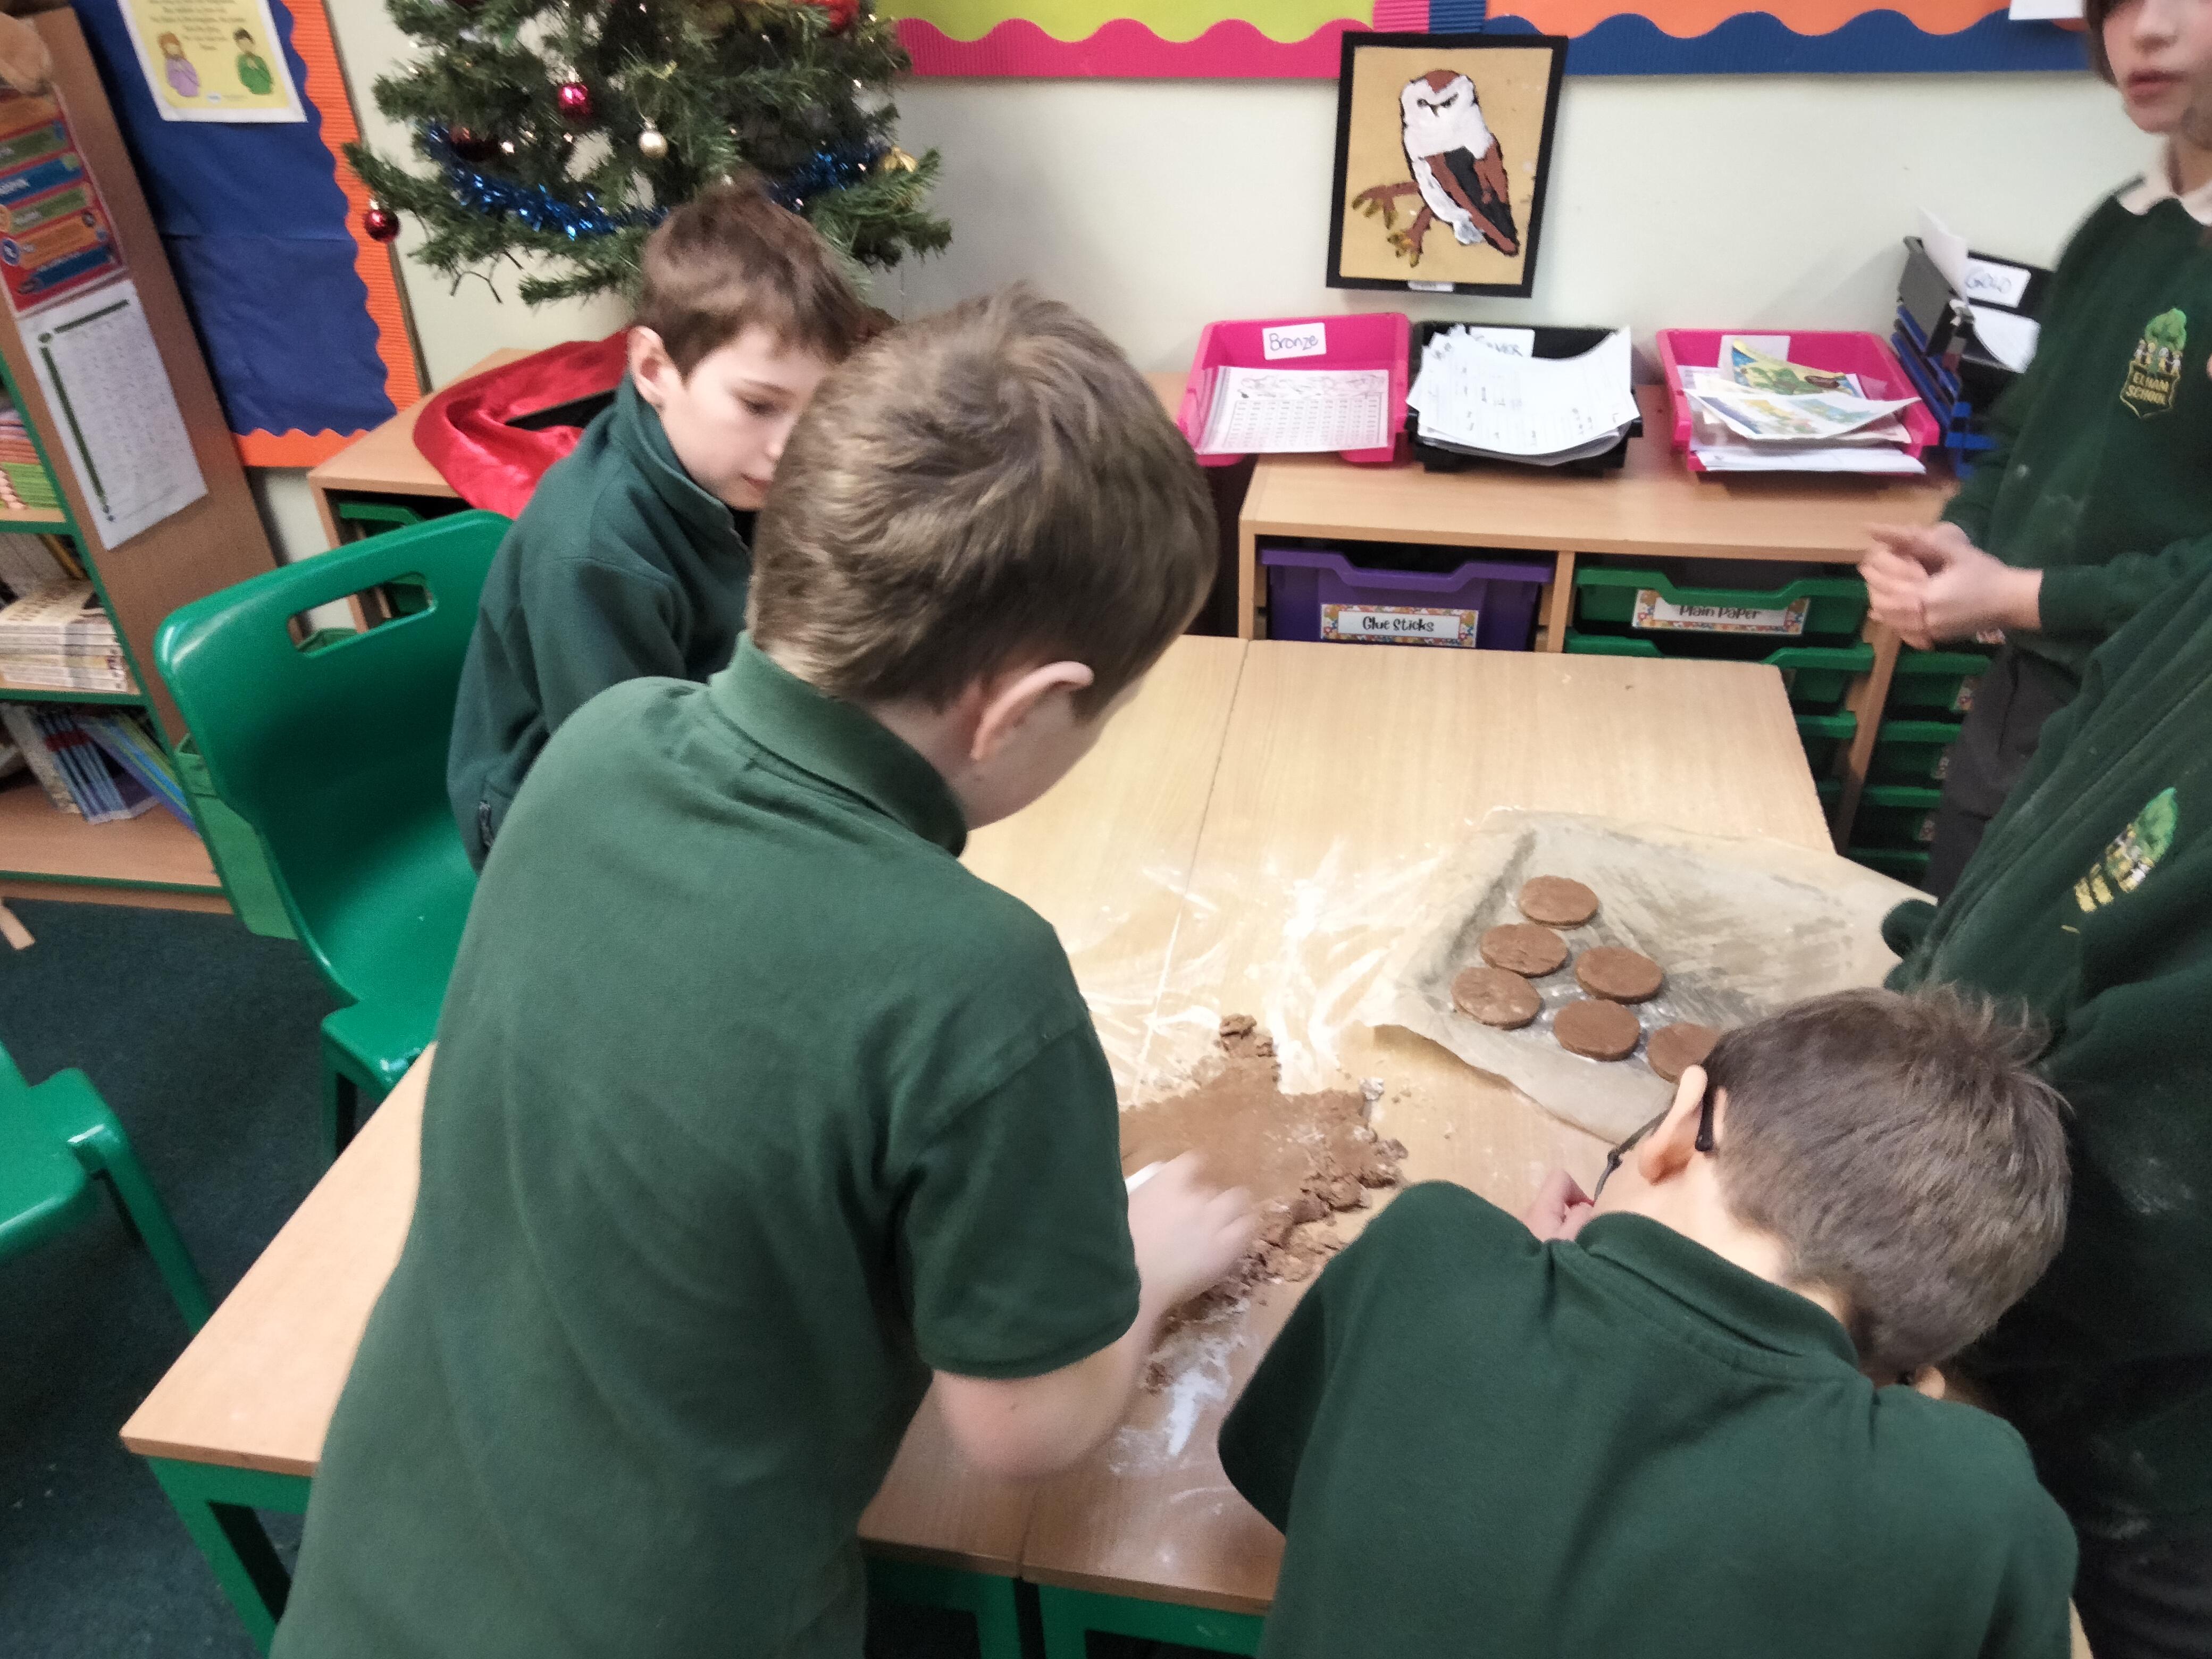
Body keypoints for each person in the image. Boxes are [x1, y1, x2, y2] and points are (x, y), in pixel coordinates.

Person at [273, 289, 1253, 1658]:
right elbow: (1018, 1429)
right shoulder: (979, 985)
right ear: (1025, 708)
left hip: (366, 1583)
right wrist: (1138, 1277)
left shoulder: (601, 743)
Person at [1219, 988, 2077, 1659]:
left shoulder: (1429, 1257)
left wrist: (1515, 1283)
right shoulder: (1977, 1506)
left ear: (1681, 1121)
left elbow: (1298, 1488)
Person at [1885, 547, 2212, 1658]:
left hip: (2143, 1448)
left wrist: (1821, 1274)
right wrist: (1913, 998)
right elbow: (2055, 807)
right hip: (1980, 1301)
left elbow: (2156, 1203)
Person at [1861, 0, 2212, 897]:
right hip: (2031, 700)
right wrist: (1962, 538)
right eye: (2120, 1)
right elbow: (2026, 429)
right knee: (1948, 943)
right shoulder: (2125, 224)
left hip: (2166, 733)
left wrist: (2021, 596)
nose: (2148, 29)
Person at [446, 179, 874, 869]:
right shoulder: (594, 552)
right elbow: (627, 780)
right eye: (758, 405)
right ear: (653, 368)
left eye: (815, 409)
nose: (790, 448)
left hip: (701, 736)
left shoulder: (733, 470)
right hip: (549, 818)